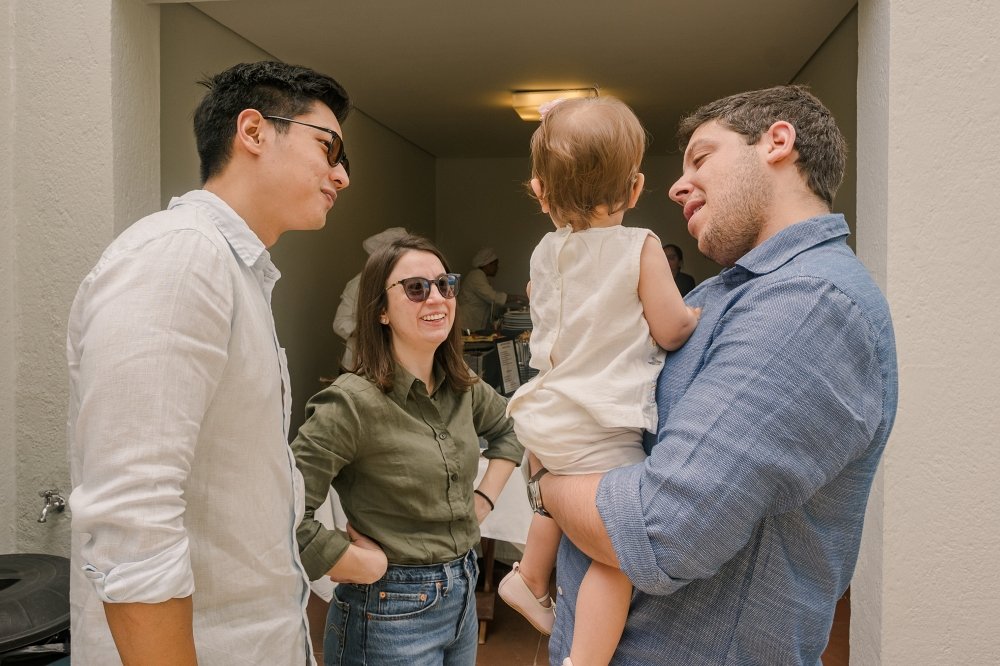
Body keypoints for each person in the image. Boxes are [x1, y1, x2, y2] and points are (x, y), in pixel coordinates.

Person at [531, 85, 899, 665]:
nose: (676, 186)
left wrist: (546, 482)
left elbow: (659, 531)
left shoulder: (808, 304)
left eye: (700, 158)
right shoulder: (727, 294)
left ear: (778, 142)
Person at [66, 61, 351, 665]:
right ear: (253, 131)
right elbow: (134, 519)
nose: (342, 175)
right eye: (328, 148)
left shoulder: (235, 269)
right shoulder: (179, 257)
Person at [501, 96, 700, 666]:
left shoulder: (544, 252)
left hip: (546, 410)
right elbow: (670, 329)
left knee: (556, 488)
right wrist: (695, 316)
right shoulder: (639, 247)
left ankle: (530, 575)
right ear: (636, 189)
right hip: (600, 419)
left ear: (540, 192)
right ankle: (584, 660)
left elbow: (543, 305)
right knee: (619, 557)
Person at [292, 234, 524, 665]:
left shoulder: (462, 387)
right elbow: (283, 512)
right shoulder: (350, 403)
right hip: (388, 612)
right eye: (416, 288)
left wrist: (484, 499)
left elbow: (511, 430)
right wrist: (358, 565)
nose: (436, 298)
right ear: (380, 310)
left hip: (462, 593)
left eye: (445, 284)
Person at [333, 226, 408, 371]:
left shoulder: (408, 284)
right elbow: (340, 323)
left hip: (395, 366)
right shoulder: (358, 284)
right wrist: (373, 329)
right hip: (359, 365)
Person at [456, 247, 527, 332]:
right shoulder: (476, 276)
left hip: (472, 325)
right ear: (487, 265)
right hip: (466, 324)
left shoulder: (481, 276)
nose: (497, 268)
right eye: (495, 265)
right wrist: (518, 298)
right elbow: (493, 297)